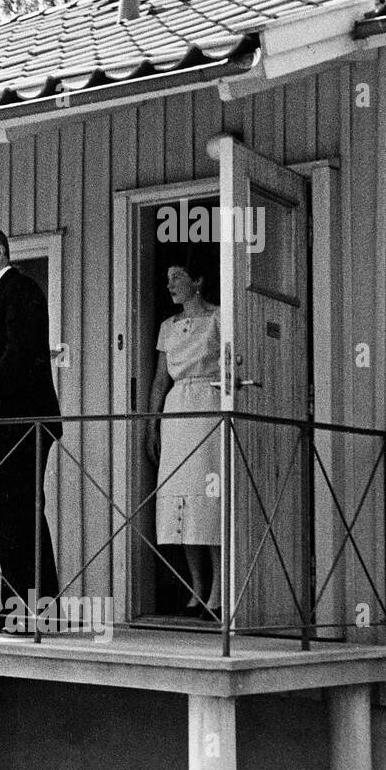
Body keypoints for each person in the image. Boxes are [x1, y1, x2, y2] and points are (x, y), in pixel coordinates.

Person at [0, 230, 62, 634]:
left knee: (21, 514)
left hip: (23, 419)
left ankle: (37, 611)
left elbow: (20, 349)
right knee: (12, 515)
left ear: (0, 252)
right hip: (6, 422)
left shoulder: (21, 289)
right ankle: (18, 607)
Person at [145, 260, 223, 618]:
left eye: (178, 277)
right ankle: (196, 587)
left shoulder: (220, 317)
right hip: (178, 410)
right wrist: (153, 424)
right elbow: (161, 380)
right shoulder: (167, 327)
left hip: (208, 405)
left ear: (198, 280)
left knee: (207, 498)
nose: (171, 284)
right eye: (168, 278)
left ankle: (220, 589)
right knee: (181, 499)